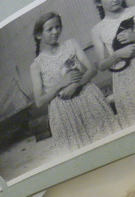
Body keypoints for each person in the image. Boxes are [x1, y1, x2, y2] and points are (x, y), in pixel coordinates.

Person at [30, 12, 119, 155]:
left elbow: (92, 69)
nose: (55, 32)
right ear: (39, 35)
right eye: (50, 29)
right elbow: (39, 101)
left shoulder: (71, 44)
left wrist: (76, 85)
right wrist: (61, 84)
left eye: (57, 27)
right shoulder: (36, 65)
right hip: (64, 111)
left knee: (106, 141)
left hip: (88, 99)